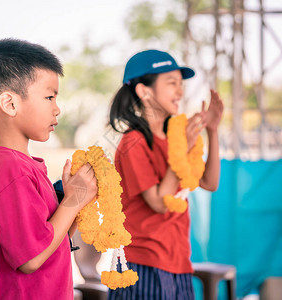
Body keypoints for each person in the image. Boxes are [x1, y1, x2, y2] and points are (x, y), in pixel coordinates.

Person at [0, 38, 98, 300]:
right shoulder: (10, 171)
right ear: (10, 104)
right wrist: (72, 202)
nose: (57, 108)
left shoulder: (24, 166)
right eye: (49, 97)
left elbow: (53, 241)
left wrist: (75, 201)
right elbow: (31, 258)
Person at [108, 49, 224, 299]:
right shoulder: (134, 142)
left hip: (178, 262)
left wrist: (212, 131)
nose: (180, 91)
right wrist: (184, 149)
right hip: (141, 264)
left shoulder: (176, 138)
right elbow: (159, 202)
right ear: (144, 91)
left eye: (180, 84)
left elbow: (210, 182)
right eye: (171, 83)